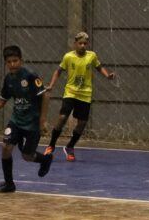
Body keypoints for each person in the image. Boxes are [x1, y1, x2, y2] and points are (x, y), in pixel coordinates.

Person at [0, 45, 53, 193]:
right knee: (5, 147)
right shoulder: (8, 79)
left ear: (21, 61)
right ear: (6, 63)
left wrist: (42, 120)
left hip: (32, 123)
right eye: (9, 62)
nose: (12, 64)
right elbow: (2, 100)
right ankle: (9, 184)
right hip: (16, 121)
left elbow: (45, 95)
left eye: (15, 61)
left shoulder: (30, 75)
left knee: (27, 156)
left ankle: (45, 159)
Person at [43, 32, 115, 161]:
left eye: (85, 43)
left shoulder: (91, 56)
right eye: (80, 43)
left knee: (82, 123)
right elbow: (58, 71)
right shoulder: (68, 57)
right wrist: (51, 85)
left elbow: (99, 67)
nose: (82, 45)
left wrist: (107, 75)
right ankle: (51, 145)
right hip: (70, 92)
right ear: (75, 44)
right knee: (62, 117)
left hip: (85, 94)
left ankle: (70, 147)